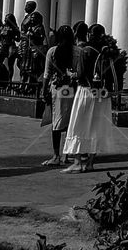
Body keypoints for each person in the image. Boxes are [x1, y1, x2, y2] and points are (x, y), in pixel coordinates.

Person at [62, 23, 116, 172]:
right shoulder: (107, 51)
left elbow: (80, 74)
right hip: (102, 94)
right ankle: (91, 163)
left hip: (86, 91)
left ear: (90, 35)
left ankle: (77, 162)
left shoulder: (86, 51)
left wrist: (70, 74)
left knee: (78, 125)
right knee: (95, 128)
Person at [42, 24, 78, 167]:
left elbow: (46, 73)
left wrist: (44, 89)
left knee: (56, 122)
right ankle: (67, 155)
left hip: (57, 89)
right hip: (72, 89)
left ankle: (56, 155)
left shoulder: (52, 51)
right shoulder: (78, 51)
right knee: (71, 122)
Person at [18, 2, 47, 83]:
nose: (25, 7)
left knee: (29, 65)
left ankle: (29, 83)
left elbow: (42, 36)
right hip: (24, 42)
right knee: (22, 64)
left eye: (27, 6)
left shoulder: (34, 18)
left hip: (29, 44)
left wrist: (32, 34)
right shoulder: (27, 17)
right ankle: (23, 83)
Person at [0, 14, 20, 83]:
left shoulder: (15, 28)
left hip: (10, 46)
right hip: (2, 46)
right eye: (5, 19)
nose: (5, 20)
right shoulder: (2, 27)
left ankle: (9, 82)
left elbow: (18, 39)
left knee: (10, 65)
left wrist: (13, 36)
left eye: (7, 19)